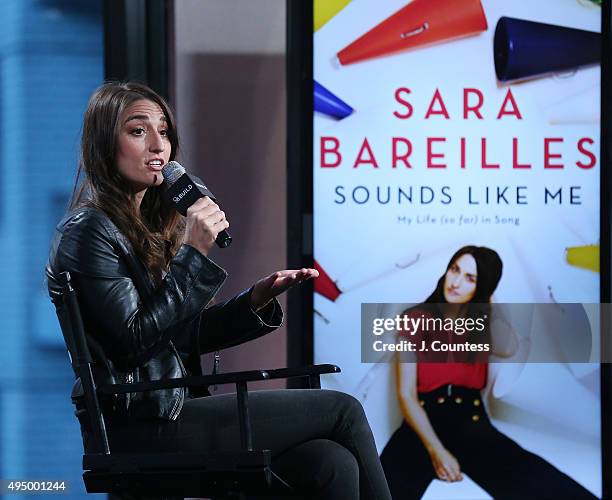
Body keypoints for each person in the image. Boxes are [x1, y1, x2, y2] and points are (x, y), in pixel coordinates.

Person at [46, 82, 392, 500]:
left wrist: (254, 303)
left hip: (169, 408)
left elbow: (179, 335)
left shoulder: (146, 230)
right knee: (343, 410)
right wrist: (194, 252)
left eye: (165, 131)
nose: (158, 145)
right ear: (104, 144)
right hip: (138, 422)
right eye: (138, 131)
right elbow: (132, 341)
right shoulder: (88, 232)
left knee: (329, 462)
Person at [380, 246, 595, 499]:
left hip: (470, 421)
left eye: (471, 278)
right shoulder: (415, 318)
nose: (456, 282)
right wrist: (436, 450)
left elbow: (509, 347)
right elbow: (406, 395)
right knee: (379, 491)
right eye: (454, 269)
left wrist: (488, 304)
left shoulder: (481, 323)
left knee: (545, 486)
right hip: (422, 423)